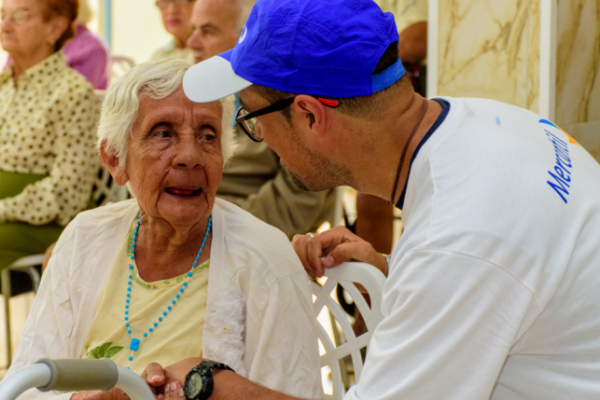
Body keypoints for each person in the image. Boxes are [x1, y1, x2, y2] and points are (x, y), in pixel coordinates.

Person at [143, 0, 600, 399]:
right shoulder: (490, 120)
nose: (263, 141)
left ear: (309, 114)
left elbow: (469, 257)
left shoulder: (456, 243)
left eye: (253, 119)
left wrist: (217, 385)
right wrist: (397, 272)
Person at [5, 59, 322, 400]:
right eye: (163, 133)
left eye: (207, 136)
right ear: (115, 159)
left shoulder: (265, 260)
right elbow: (26, 384)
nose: (189, 155)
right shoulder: (85, 237)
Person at [187, 0, 336, 239]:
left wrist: (207, 226)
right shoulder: (197, 93)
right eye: (192, 29)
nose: (191, 42)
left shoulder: (283, 98)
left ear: (245, 38)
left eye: (208, 31)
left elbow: (297, 204)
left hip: (238, 242)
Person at [0, 0, 98, 294]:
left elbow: (68, 195)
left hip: (44, 223)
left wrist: (3, 208)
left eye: (19, 17)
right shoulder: (3, 86)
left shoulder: (73, 92)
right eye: (3, 14)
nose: (5, 25)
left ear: (54, 27)